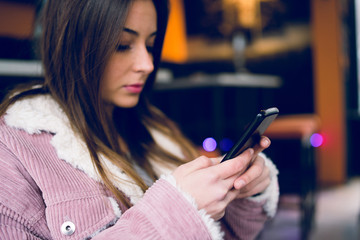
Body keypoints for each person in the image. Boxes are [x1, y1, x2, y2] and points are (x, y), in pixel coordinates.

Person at [0, 0, 279, 239]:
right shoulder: (13, 151)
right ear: (73, 44)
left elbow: (229, 233)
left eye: (151, 45)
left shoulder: (156, 129)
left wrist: (245, 193)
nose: (147, 64)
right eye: (123, 45)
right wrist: (175, 211)